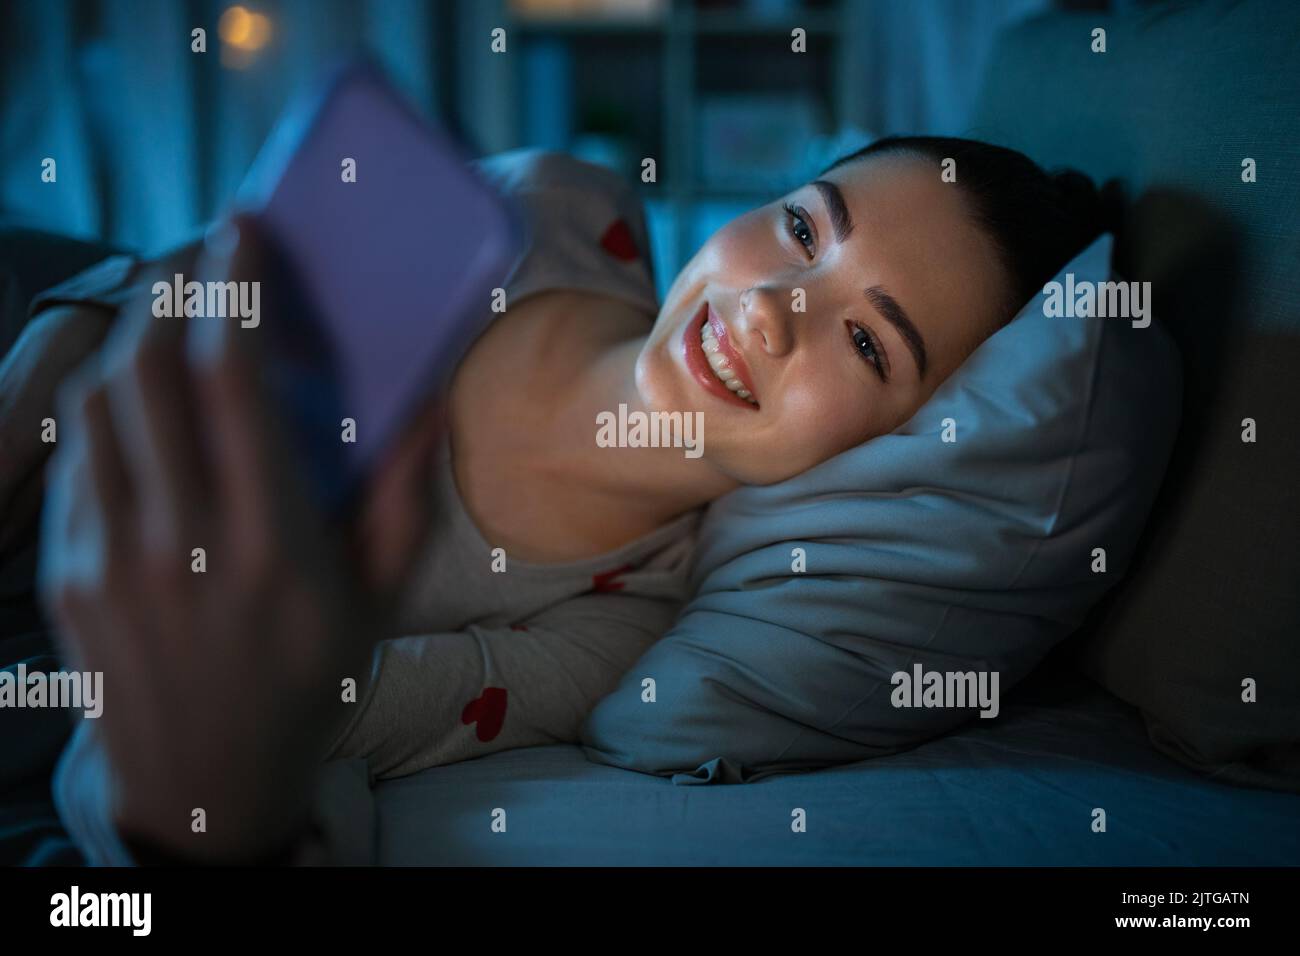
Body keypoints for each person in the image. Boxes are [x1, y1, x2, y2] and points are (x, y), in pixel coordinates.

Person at [0, 136, 1108, 864]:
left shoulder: (611, 626)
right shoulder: (566, 207)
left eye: (867, 341)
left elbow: (311, 724)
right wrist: (59, 351)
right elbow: (213, 272)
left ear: (896, 447)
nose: (770, 307)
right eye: (805, 228)